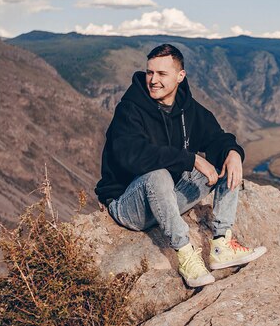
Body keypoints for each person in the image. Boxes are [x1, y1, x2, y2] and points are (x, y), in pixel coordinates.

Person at [95, 44, 266, 287]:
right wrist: (192, 159)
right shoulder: (129, 109)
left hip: (168, 199)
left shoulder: (188, 108)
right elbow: (132, 157)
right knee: (158, 175)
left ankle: (221, 243)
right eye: (149, 72)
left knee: (225, 160)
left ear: (180, 76)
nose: (153, 80)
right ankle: (185, 254)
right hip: (129, 205)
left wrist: (233, 152)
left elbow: (217, 136)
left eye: (161, 74)